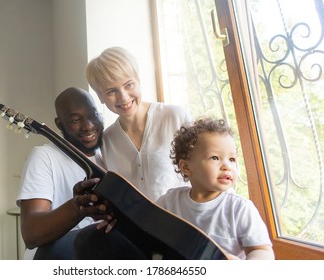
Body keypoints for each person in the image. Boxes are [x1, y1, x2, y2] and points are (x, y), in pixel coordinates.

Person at [155, 117, 275, 260]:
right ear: (186, 167)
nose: (227, 166)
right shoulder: (170, 201)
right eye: (215, 158)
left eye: (232, 159)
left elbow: (262, 250)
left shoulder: (239, 208)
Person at [86, 46, 192, 202]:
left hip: (185, 221)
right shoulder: (106, 141)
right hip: (135, 225)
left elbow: (207, 170)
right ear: (100, 97)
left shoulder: (175, 117)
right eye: (111, 91)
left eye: (129, 84)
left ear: (139, 81)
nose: (123, 98)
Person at [17, 87, 112, 260]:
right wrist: (77, 208)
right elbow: (31, 233)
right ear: (60, 124)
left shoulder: (109, 155)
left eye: (93, 115)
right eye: (76, 120)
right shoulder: (44, 157)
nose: (88, 125)